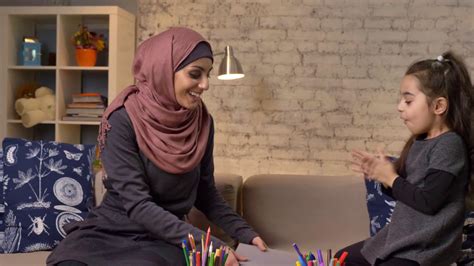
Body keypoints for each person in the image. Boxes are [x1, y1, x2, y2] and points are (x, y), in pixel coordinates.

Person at [47, 27, 266, 266]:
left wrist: (246, 233)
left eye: (208, 74)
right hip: (110, 230)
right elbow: (138, 204)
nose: (205, 85)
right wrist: (211, 245)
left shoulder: (202, 121)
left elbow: (205, 192)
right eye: (195, 74)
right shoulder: (122, 119)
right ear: (163, 70)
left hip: (166, 237)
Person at [336, 51, 473, 266]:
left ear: (438, 106)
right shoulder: (419, 141)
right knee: (340, 259)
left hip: (425, 247)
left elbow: (429, 202)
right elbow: (408, 192)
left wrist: (391, 178)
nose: (400, 106)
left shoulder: (450, 145)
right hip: (399, 238)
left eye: (408, 101)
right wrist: (382, 176)